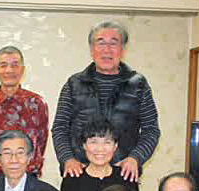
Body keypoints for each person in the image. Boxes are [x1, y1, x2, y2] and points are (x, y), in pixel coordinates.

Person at [52, 20, 160, 182]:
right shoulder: (74, 84)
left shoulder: (138, 84)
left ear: (122, 49)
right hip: (79, 171)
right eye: (101, 42)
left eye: (113, 43)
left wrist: (136, 158)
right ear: (92, 49)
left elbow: (151, 130)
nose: (107, 49)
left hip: (123, 171)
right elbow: (60, 127)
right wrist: (67, 158)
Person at [0, 46, 49, 178]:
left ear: (22, 69)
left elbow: (41, 142)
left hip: (28, 176)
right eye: (3, 65)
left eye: (15, 65)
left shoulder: (36, 103)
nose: (9, 70)